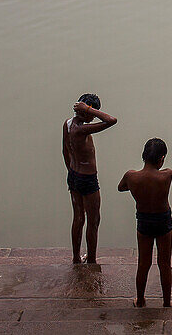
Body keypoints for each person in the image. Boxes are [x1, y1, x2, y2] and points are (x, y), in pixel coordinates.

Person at [118, 139, 172, 308]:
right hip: (163, 220)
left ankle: (140, 299)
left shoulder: (131, 176)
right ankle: (167, 302)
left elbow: (121, 187)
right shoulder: (167, 175)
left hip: (144, 220)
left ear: (143, 155)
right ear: (162, 158)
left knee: (143, 263)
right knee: (164, 263)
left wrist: (135, 187)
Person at [62, 93, 117, 264]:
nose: (93, 118)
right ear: (85, 111)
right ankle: (91, 260)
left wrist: (72, 172)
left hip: (74, 175)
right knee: (93, 220)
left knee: (78, 217)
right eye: (92, 114)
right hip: (87, 179)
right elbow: (111, 120)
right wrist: (87, 109)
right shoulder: (82, 129)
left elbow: (65, 151)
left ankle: (76, 258)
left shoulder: (68, 124)